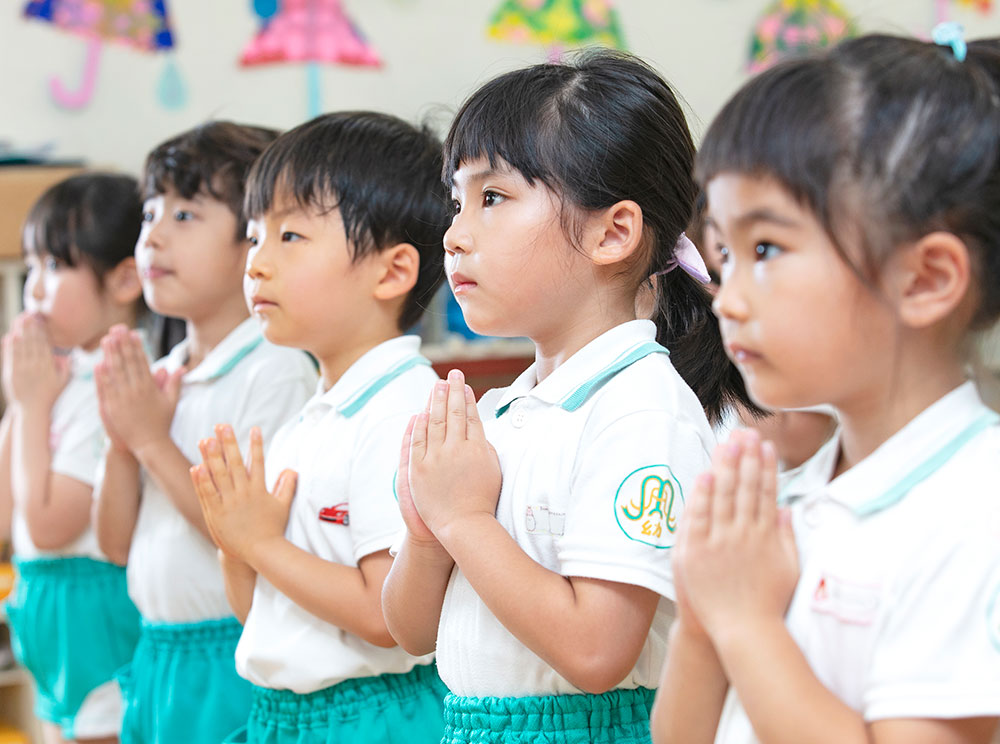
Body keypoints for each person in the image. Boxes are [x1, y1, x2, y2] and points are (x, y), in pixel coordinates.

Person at [381, 50, 757, 744]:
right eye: (454, 202)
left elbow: (596, 651)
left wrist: (465, 521)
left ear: (611, 232)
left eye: (491, 199)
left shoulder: (642, 409)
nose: (454, 235)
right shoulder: (503, 410)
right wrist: (425, 531)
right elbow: (408, 632)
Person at [651, 29, 1000, 744]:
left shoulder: (976, 509)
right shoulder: (796, 492)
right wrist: (704, 613)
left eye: (767, 249)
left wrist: (746, 625)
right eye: (724, 253)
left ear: (926, 279)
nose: (727, 298)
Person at [190, 111, 451, 744]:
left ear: (391, 272)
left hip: (372, 717)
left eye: (290, 237)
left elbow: (386, 617)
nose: (255, 264)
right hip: (285, 714)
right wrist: (235, 546)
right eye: (255, 237)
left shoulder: (401, 409)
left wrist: (259, 545)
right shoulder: (312, 415)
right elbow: (265, 617)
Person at [93, 122, 317, 744]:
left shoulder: (275, 368)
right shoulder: (161, 379)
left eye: (186, 215)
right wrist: (123, 441)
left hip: (230, 649)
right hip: (157, 647)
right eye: (149, 213)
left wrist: (148, 441)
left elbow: (247, 538)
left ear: (254, 241)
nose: (153, 236)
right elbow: (113, 545)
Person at [0, 173, 145, 744]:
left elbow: (49, 525)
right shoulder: (59, 378)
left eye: (55, 267)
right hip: (45, 604)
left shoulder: (107, 385)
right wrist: (20, 404)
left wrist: (32, 406)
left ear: (124, 279)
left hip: (91, 609)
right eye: (31, 267)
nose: (34, 289)